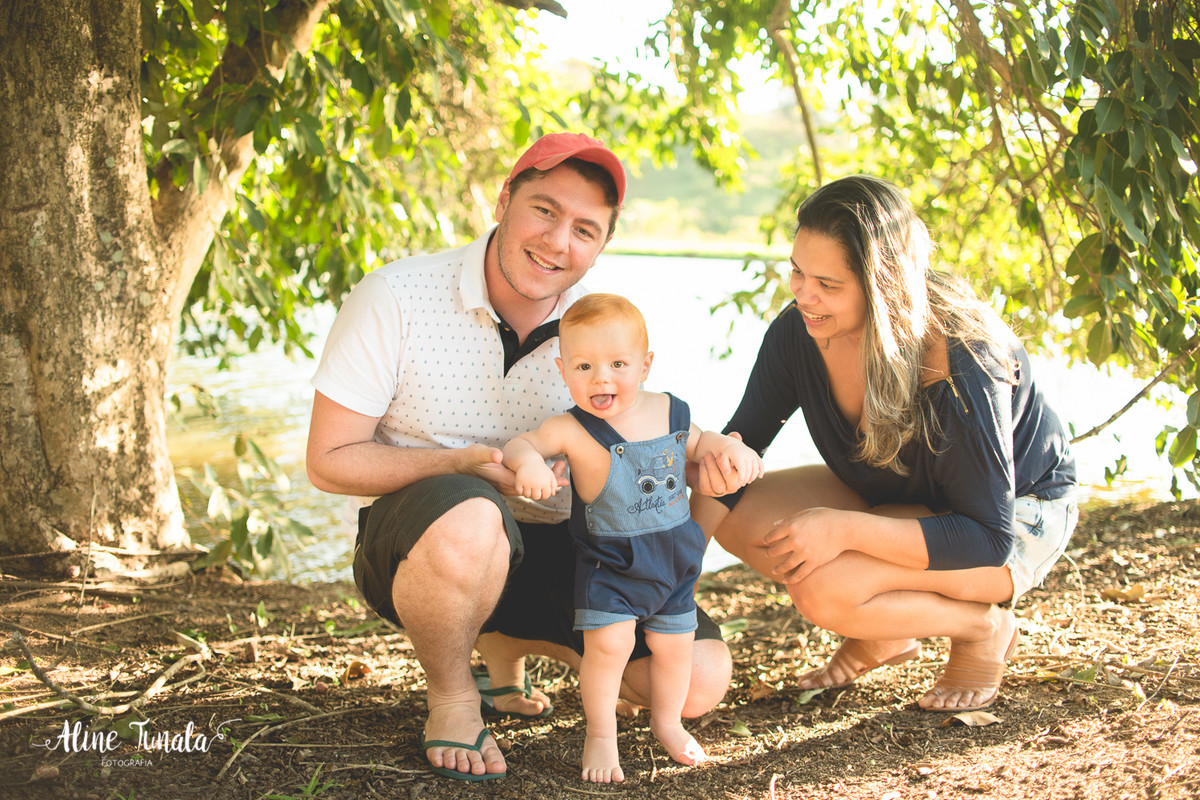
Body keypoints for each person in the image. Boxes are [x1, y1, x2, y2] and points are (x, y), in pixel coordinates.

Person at [305, 133, 733, 782]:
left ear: (601, 245)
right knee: (473, 515)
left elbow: (654, 440)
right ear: (505, 199)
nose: (559, 242)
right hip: (428, 543)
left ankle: (521, 648)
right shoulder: (395, 296)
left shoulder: (600, 331)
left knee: (699, 680)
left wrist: (712, 459)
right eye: (544, 211)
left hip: (580, 550)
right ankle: (454, 696)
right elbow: (328, 461)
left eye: (585, 230)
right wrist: (457, 464)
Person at [692, 175, 1078, 713]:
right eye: (798, 272)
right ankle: (887, 632)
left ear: (883, 285)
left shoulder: (961, 354)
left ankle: (982, 628)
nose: (803, 295)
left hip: (1012, 519)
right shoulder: (798, 331)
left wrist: (844, 529)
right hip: (900, 494)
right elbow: (740, 452)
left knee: (824, 588)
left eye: (828, 284)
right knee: (733, 510)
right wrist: (675, 579)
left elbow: (987, 538)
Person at [503, 293, 764, 783]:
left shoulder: (669, 410)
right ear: (563, 370)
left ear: (645, 365)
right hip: (612, 567)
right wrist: (530, 465)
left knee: (676, 649)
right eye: (584, 366)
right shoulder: (570, 428)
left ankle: (666, 723)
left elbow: (702, 443)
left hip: (673, 564)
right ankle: (601, 734)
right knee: (609, 650)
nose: (600, 378)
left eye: (617, 364)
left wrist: (731, 450)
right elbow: (521, 445)